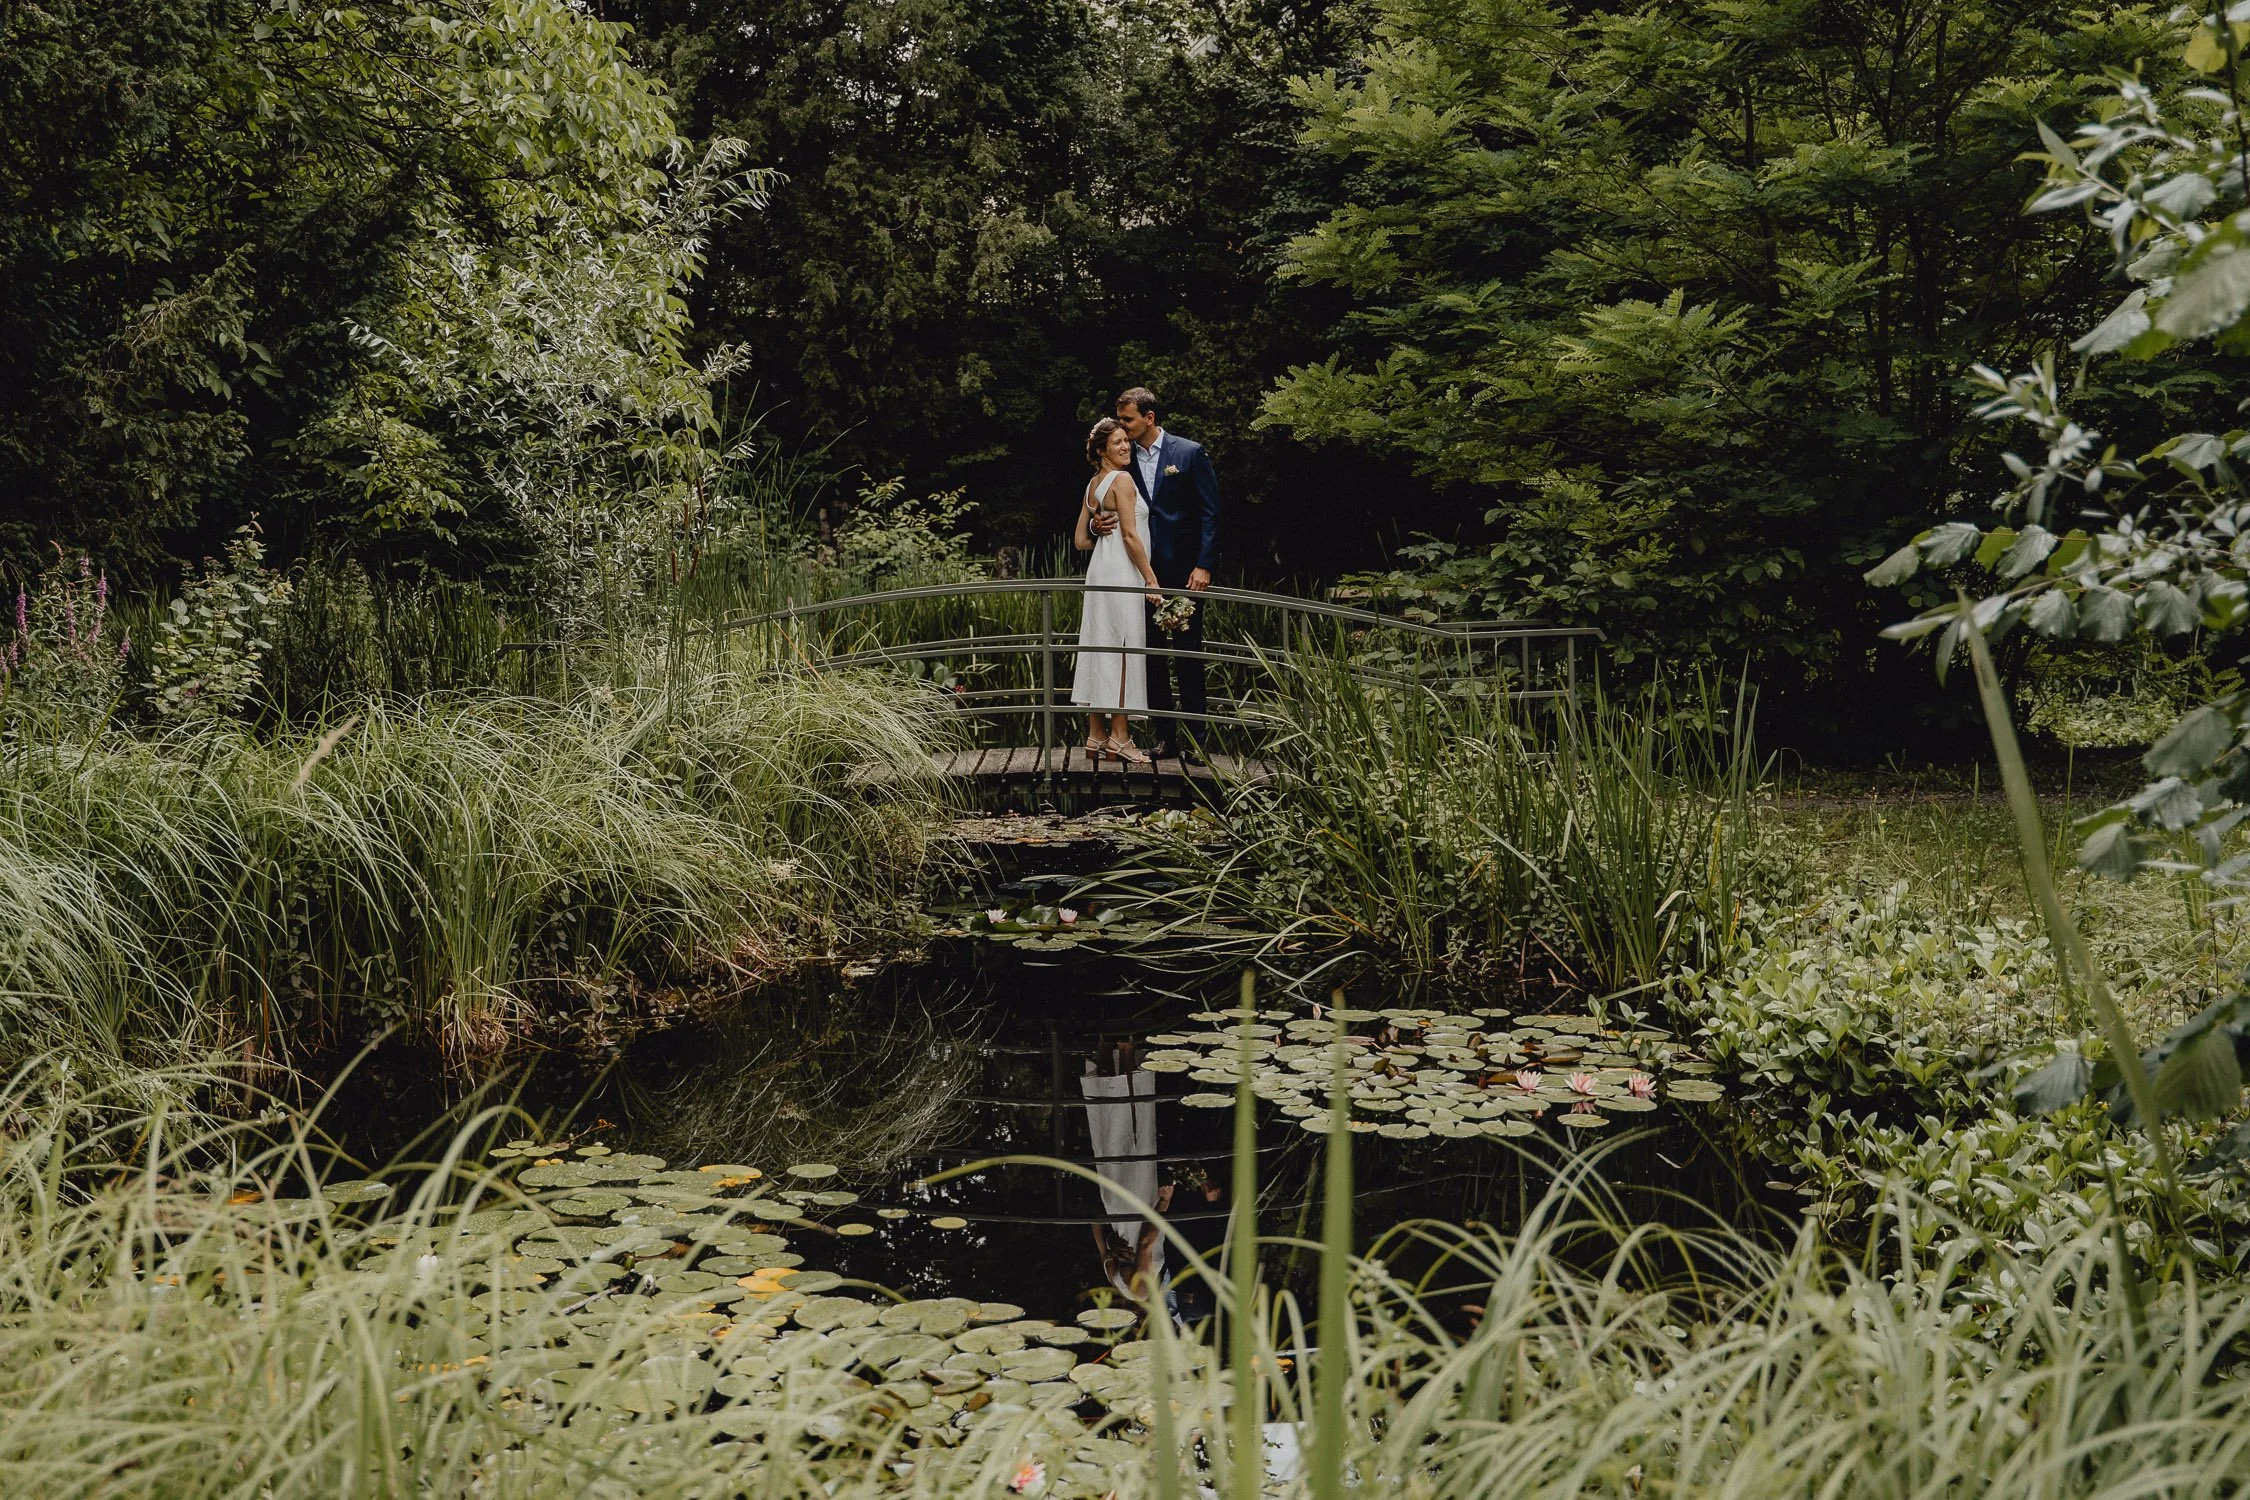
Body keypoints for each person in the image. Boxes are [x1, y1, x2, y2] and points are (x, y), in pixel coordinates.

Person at [1083, 386, 1220, 761]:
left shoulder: (1189, 453)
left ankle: (1197, 740)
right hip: (1140, 574)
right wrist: (1096, 527)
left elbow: (1210, 513)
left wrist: (1204, 564)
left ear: (1149, 417)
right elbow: (1113, 510)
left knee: (1188, 655)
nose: (1123, 429)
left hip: (1184, 573)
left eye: (1127, 420)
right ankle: (1166, 737)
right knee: (1151, 657)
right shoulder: (1123, 464)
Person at [1069, 417, 1162, 764]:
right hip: (1123, 574)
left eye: (1126, 441)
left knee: (1100, 646)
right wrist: (1151, 579)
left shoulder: (1093, 484)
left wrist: (1096, 527)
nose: (1125, 447)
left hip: (1100, 573)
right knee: (1122, 649)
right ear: (1100, 451)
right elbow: (1130, 535)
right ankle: (1121, 739)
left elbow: (1081, 540)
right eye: (1117, 443)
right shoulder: (1122, 480)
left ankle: (1096, 736)